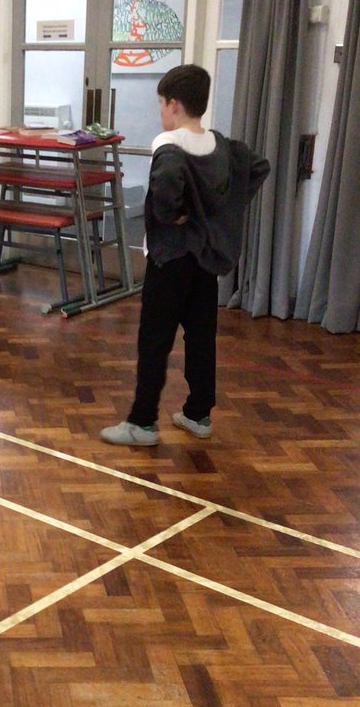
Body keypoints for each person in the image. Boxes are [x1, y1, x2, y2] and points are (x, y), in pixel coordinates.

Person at [100, 64, 269, 446]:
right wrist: (221, 210)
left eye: (161, 103)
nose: (160, 110)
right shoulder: (221, 146)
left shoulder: (169, 144)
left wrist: (173, 213)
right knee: (201, 337)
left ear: (173, 104)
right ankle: (198, 414)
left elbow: (165, 188)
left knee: (155, 339)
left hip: (171, 259)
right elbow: (258, 167)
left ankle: (142, 423)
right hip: (205, 260)